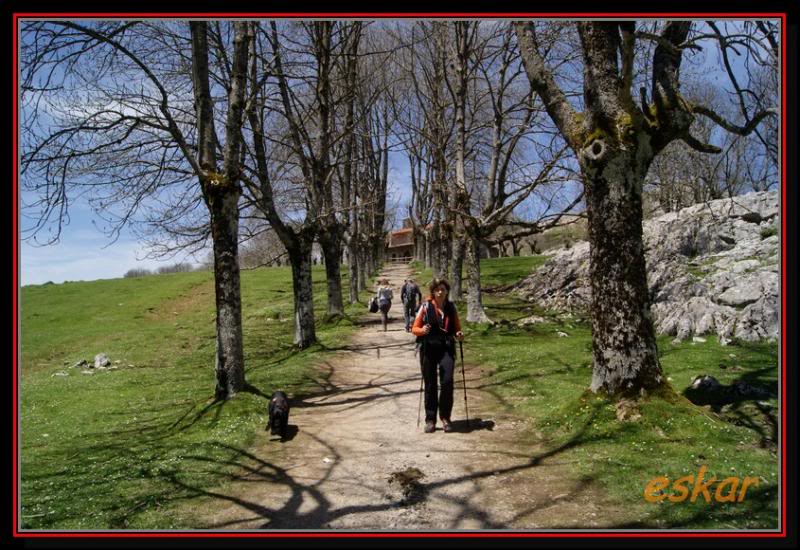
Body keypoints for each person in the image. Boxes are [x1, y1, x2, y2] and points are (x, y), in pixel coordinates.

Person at [411, 277, 464, 433]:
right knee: (430, 384)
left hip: (446, 348)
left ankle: (445, 417)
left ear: (447, 291)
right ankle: (430, 419)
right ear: (433, 292)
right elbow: (414, 328)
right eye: (437, 290)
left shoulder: (451, 307)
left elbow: (457, 328)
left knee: (447, 382)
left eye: (443, 289)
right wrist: (422, 331)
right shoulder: (425, 307)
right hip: (428, 348)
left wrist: (459, 334)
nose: (440, 292)